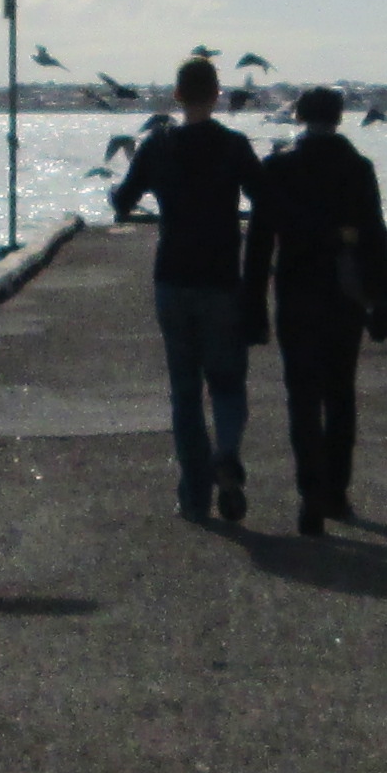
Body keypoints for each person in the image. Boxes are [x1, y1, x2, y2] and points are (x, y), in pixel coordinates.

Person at [110, 57, 264, 521]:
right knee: (228, 383)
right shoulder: (234, 146)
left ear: (177, 96)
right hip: (221, 280)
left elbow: (124, 200)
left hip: (173, 278)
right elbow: (266, 199)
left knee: (185, 391)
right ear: (217, 95)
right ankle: (227, 455)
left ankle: (195, 497)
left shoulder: (157, 144)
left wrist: (119, 197)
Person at [243, 86, 387, 536]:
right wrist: (384, 303)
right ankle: (337, 492)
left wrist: (253, 305)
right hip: (345, 295)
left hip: (295, 293)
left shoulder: (278, 167)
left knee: (303, 397)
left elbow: (259, 242)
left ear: (298, 116)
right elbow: (375, 237)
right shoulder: (357, 167)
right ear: (340, 118)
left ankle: (309, 494)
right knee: (340, 393)